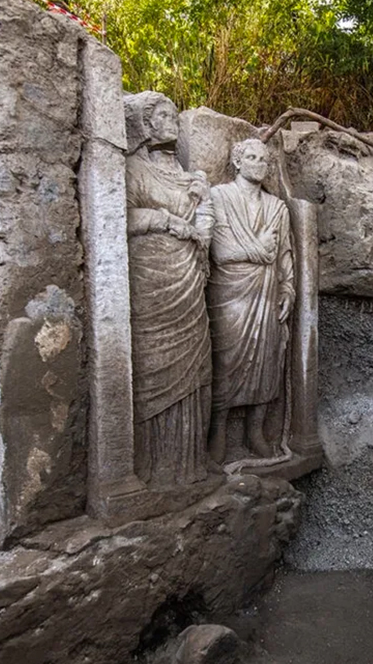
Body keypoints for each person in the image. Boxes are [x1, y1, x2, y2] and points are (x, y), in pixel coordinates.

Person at [124, 91, 214, 486]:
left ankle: (189, 463)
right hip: (151, 277)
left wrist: (202, 206)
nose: (172, 120)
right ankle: (153, 466)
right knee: (155, 364)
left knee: (194, 363)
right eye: (162, 115)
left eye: (174, 114)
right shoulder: (133, 169)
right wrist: (165, 220)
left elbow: (206, 224)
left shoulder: (189, 176)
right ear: (145, 124)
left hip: (189, 277)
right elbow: (122, 216)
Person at [207, 139, 295, 462]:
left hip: (267, 293)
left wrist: (288, 289)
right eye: (252, 157)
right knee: (224, 360)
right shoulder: (219, 196)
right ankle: (217, 431)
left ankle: (255, 432)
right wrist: (259, 250)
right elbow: (221, 251)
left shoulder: (277, 208)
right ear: (237, 161)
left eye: (264, 159)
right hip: (229, 294)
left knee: (267, 359)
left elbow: (283, 254)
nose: (259, 163)